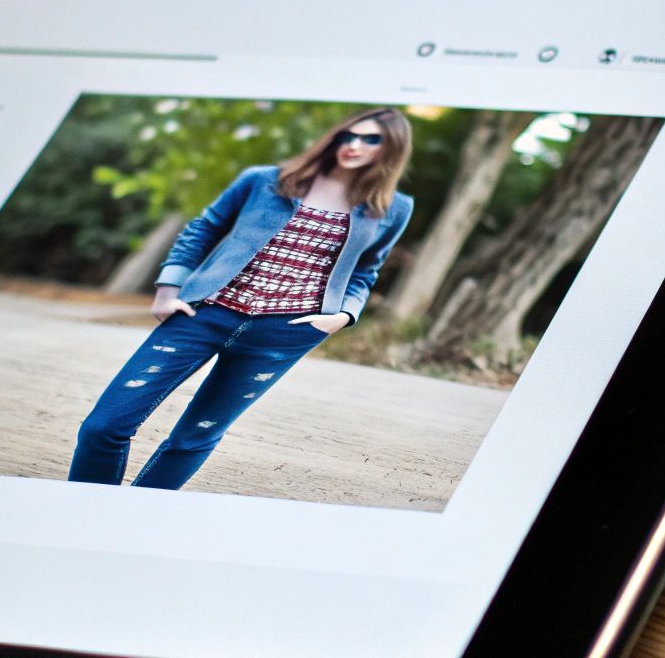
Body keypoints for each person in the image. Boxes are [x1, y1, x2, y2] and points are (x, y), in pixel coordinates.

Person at [68, 107, 415, 490]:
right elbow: (203, 228)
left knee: (195, 437)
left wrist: (343, 316)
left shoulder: (393, 209)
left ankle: (134, 516)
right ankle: (85, 507)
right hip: (205, 314)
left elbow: (365, 270)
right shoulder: (265, 180)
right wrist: (168, 290)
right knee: (105, 426)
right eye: (349, 135)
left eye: (371, 139)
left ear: (392, 149)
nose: (354, 145)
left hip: (283, 332)